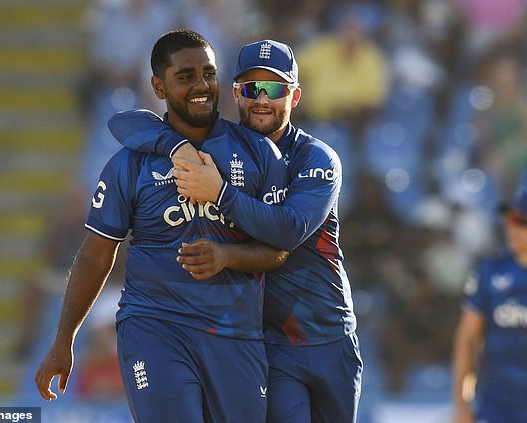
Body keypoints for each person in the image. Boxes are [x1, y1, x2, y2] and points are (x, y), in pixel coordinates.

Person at [35, 29, 291, 423]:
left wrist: (228, 256)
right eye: (185, 76)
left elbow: (279, 249)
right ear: (158, 86)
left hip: (236, 335)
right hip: (156, 329)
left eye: (208, 73)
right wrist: (63, 339)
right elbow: (96, 252)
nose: (201, 85)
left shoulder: (258, 154)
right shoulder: (130, 163)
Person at [109, 39, 362, 423]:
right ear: (234, 94)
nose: (261, 99)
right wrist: (175, 147)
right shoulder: (221, 150)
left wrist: (221, 193)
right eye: (250, 89)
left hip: (332, 335)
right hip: (272, 343)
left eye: (273, 89)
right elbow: (125, 121)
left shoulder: (316, 157)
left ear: (294, 97)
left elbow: (289, 231)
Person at [452, 170, 527, 423]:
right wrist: (462, 406)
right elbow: (467, 339)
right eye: (510, 220)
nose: (513, 229)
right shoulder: (490, 271)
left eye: (522, 221)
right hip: (496, 406)